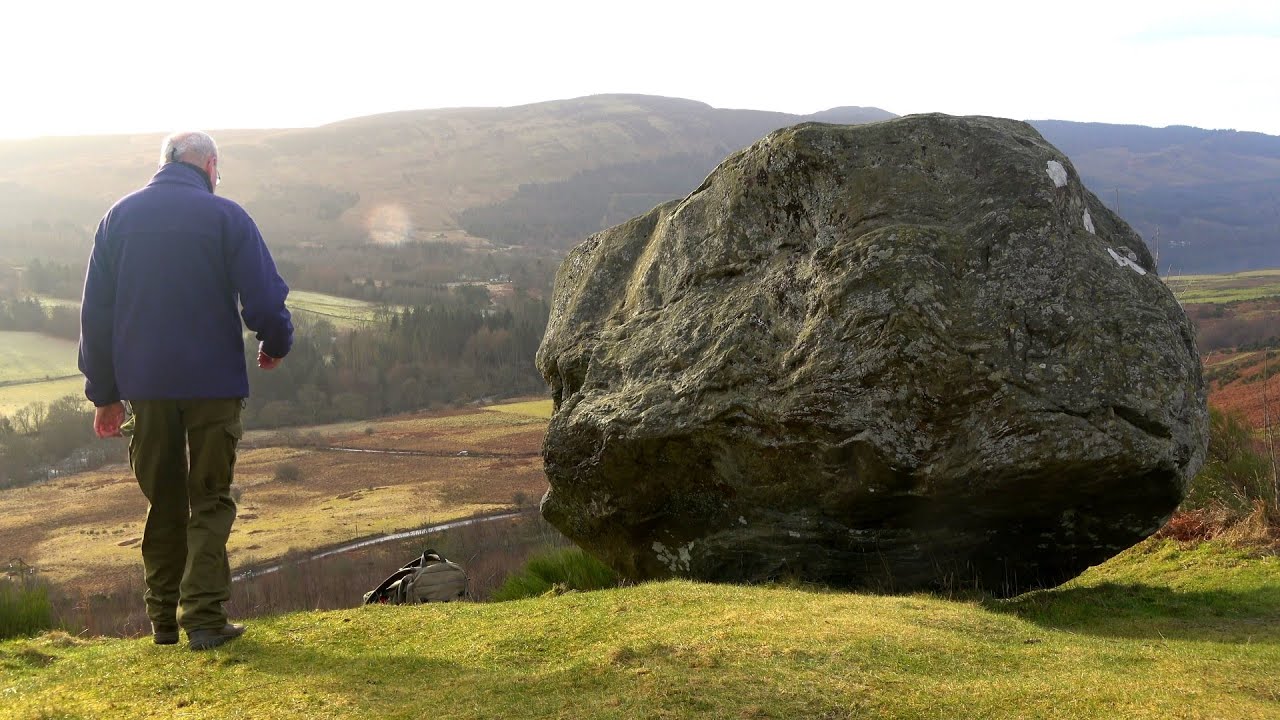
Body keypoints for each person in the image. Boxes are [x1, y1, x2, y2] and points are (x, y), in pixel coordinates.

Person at [79, 130, 293, 651]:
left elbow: (96, 315)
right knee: (211, 497)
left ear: (165, 162)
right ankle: (204, 618)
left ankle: (163, 623)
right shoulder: (227, 218)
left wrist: (104, 394)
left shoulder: (118, 218)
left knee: (165, 500)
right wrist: (275, 340)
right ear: (211, 165)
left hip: (145, 389)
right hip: (213, 385)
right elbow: (263, 295)